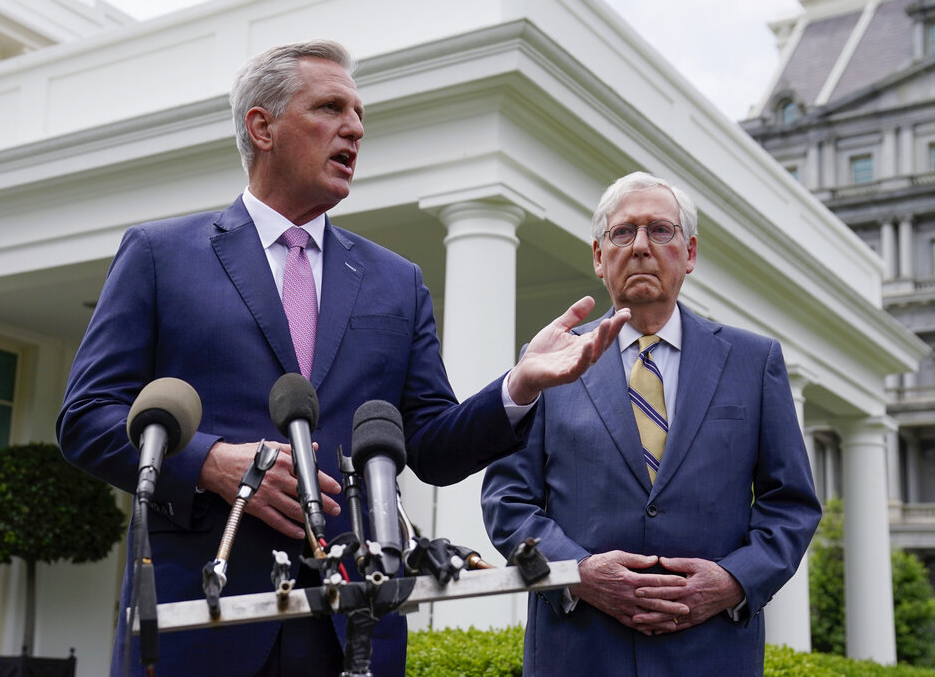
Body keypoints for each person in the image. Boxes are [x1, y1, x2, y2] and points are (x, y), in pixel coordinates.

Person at [56, 39, 628, 677]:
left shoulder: (396, 281)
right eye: (330, 108)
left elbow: (431, 446)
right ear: (262, 126)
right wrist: (211, 461)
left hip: (354, 624)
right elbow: (86, 416)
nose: (354, 127)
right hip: (202, 622)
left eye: (359, 114)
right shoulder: (161, 256)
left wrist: (517, 387)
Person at [481, 171, 822, 676]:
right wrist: (577, 573)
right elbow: (507, 502)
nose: (640, 246)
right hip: (579, 651)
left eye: (660, 231)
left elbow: (790, 505)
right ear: (599, 257)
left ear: (689, 253)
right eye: (623, 233)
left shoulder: (754, 362)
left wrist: (732, 581)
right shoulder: (550, 359)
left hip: (711, 652)